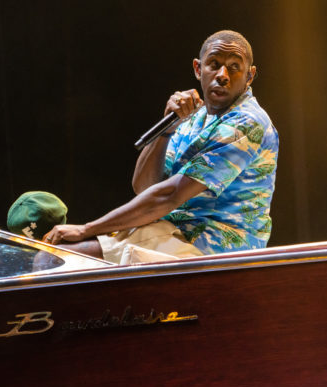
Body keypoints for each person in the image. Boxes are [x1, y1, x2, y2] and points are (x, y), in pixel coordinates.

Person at [42, 30, 278, 263]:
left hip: (214, 247)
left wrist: (87, 229)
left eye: (234, 67)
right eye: (214, 64)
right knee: (51, 254)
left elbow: (169, 196)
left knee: (54, 259)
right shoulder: (193, 117)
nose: (222, 75)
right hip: (172, 233)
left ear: (250, 76)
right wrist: (166, 130)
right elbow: (144, 187)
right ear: (198, 69)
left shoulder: (247, 121)